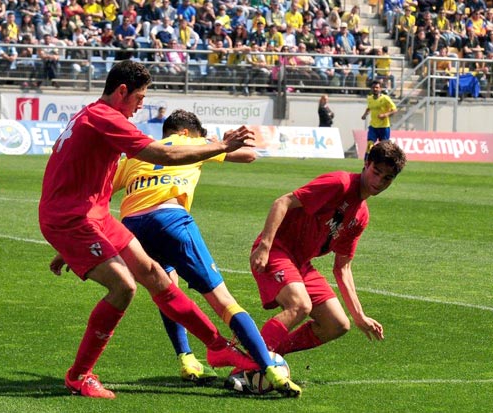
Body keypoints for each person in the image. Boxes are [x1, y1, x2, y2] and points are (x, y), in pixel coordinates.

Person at [40, 61, 301, 399]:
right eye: (139, 97)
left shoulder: (90, 116)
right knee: (124, 287)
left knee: (155, 274)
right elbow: (160, 151)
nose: (140, 105)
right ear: (122, 91)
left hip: (93, 214)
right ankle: (80, 375)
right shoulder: (107, 118)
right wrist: (223, 145)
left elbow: (85, 175)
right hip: (74, 218)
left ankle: (217, 347)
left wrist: (70, 248)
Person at [112, 110, 301, 392]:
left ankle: (187, 359)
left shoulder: (140, 154)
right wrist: (215, 142)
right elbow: (249, 155)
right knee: (223, 301)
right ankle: (270, 369)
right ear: (187, 132)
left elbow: (99, 194)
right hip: (171, 220)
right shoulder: (195, 144)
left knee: (168, 291)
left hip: (132, 227)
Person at [246, 141, 406, 364]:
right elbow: (282, 202)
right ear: (366, 163)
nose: (378, 182)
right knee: (300, 305)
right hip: (276, 250)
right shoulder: (339, 183)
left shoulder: (361, 216)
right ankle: (252, 364)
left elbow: (343, 267)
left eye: (386, 178)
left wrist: (359, 315)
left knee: (337, 324)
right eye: (376, 172)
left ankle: (268, 355)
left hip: (301, 264)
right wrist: (264, 246)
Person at [360, 80, 398, 162]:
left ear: (380, 89)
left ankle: (384, 162)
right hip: (373, 126)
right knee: (370, 144)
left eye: (377, 87)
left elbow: (394, 110)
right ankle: (367, 161)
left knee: (384, 147)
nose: (375, 89)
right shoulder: (369, 98)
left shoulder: (385, 98)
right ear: (371, 89)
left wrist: (385, 115)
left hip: (384, 127)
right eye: (373, 87)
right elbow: (369, 108)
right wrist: (364, 115)